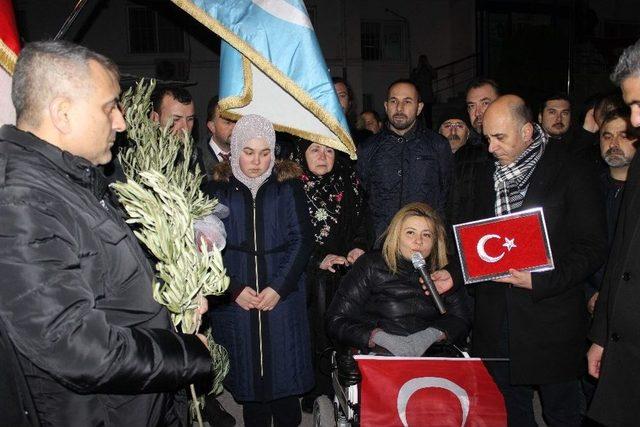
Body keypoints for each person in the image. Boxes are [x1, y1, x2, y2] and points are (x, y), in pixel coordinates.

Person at [0, 40, 212, 426]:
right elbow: (76, 346)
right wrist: (184, 353)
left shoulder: (69, 179)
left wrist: (171, 298)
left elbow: (105, 276)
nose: (122, 122)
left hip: (138, 401)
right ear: (63, 114)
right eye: (110, 107)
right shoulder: (21, 200)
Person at [469, 95, 607, 426]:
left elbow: (592, 247)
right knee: (512, 413)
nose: (490, 148)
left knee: (561, 413)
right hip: (496, 320)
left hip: (551, 321)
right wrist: (454, 273)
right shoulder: (485, 175)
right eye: (487, 138)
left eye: (500, 137)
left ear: (528, 131)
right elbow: (476, 241)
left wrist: (541, 280)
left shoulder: (572, 169)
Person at [204, 114, 313, 427]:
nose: (257, 161)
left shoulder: (287, 187)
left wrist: (279, 287)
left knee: (285, 375)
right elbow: (208, 247)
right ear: (236, 149)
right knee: (250, 384)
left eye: (265, 153)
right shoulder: (217, 190)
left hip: (282, 294)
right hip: (239, 298)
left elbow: (301, 240)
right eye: (248, 152)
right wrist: (233, 289)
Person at [326, 202, 471, 355]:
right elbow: (336, 320)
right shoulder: (371, 264)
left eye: (426, 235)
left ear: (435, 242)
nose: (418, 241)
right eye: (410, 233)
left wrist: (429, 336)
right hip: (379, 355)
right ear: (396, 235)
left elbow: (461, 320)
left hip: (431, 357)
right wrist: (380, 338)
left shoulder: (444, 271)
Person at [587, 38, 640, 427]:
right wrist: (603, 333)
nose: (635, 121)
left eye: (639, 105)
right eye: (631, 106)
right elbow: (622, 252)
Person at [291, 140, 366, 412]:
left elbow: (363, 223)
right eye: (315, 150)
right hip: (306, 274)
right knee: (312, 335)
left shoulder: (350, 182)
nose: (323, 156)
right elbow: (286, 237)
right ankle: (315, 389)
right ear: (302, 154)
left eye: (329, 150)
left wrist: (358, 246)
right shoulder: (290, 186)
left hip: (344, 272)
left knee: (345, 334)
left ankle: (346, 388)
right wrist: (317, 259)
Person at [357, 78, 453, 251]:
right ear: (386, 106)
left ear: (419, 107)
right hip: (381, 246)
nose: (399, 108)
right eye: (394, 101)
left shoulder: (437, 145)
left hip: (424, 247)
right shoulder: (368, 148)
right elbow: (363, 199)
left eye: (407, 101)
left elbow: (446, 195)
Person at [438, 108, 488, 227]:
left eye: (459, 126)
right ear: (439, 131)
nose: (453, 131)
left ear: (468, 132)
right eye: (448, 125)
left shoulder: (483, 158)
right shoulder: (429, 160)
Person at [196, 96, 235, 183]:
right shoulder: (195, 160)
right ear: (212, 127)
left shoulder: (251, 155)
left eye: (237, 120)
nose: (235, 127)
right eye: (227, 122)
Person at [410, 54, 437, 128]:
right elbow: (412, 79)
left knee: (428, 116)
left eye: (424, 60)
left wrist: (428, 65)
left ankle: (429, 131)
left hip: (428, 96)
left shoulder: (429, 70)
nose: (422, 62)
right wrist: (418, 69)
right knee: (419, 116)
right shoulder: (416, 70)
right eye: (421, 60)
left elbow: (434, 75)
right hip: (419, 97)